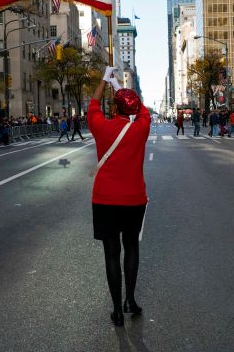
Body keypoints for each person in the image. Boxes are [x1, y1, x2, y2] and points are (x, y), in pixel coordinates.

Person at [88, 66, 150, 327]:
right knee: (131, 247)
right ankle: (130, 301)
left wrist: (105, 79)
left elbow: (92, 105)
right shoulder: (142, 128)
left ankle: (115, 309)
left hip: (104, 199)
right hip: (134, 198)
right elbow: (141, 108)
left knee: (111, 253)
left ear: (113, 110)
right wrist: (119, 85)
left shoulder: (101, 127)